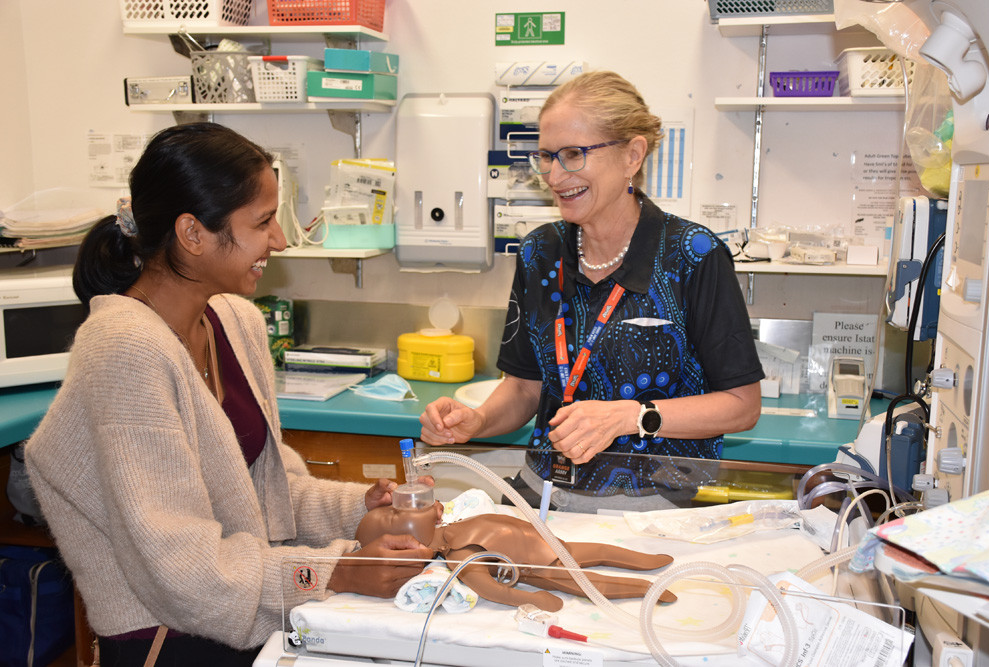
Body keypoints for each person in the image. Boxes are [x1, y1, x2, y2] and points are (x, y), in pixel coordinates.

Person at [25, 122, 434, 666]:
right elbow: (183, 570)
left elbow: (267, 495)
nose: (281, 240)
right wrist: (340, 570)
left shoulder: (235, 322)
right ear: (193, 234)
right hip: (167, 638)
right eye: (263, 221)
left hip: (245, 612)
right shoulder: (124, 348)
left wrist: (358, 508)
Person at [420, 71, 764, 512]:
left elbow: (741, 406)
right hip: (546, 495)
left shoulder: (692, 256)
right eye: (546, 156)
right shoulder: (539, 253)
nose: (554, 175)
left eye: (573, 154)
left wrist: (633, 416)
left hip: (657, 509)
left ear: (632, 155)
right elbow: (525, 389)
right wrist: (477, 420)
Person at [355, 504, 676, 612]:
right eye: (397, 512)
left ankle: (649, 560)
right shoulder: (457, 555)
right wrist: (532, 598)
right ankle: (649, 590)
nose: (406, 504)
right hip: (537, 566)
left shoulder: (454, 525)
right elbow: (489, 589)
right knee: (593, 583)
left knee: (601, 550)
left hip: (547, 542)